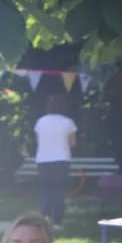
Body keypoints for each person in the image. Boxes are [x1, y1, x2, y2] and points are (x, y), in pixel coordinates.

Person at [33, 94, 78, 228]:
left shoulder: (41, 121)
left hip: (43, 159)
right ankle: (57, 221)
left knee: (45, 189)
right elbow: (73, 143)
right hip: (61, 159)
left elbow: (37, 140)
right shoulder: (68, 122)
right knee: (58, 190)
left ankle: (45, 216)